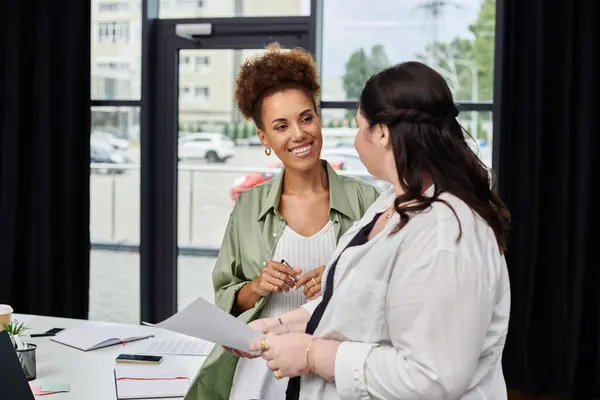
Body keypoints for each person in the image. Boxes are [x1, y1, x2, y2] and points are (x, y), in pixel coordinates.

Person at [243, 61, 512, 399]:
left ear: (382, 133)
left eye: (359, 127)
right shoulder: (389, 203)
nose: (356, 140)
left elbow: (432, 378)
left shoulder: (446, 237)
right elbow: (353, 306)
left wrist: (313, 354)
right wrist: (278, 326)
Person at [184, 43, 380, 400]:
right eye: (281, 126)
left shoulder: (367, 201)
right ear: (265, 139)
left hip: (333, 368)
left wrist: (338, 280)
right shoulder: (248, 207)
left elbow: (384, 291)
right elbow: (228, 298)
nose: (298, 134)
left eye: (306, 118)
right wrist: (258, 285)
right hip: (261, 372)